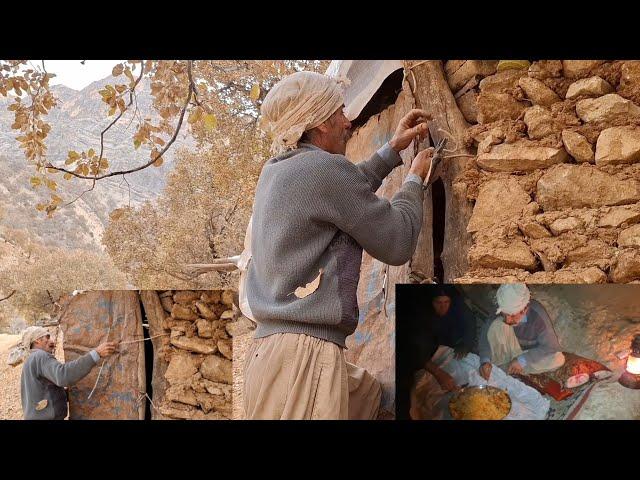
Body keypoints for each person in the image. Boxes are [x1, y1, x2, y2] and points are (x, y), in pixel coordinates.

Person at [243, 71, 435, 419]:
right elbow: (396, 242)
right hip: (304, 359)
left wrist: (392, 149)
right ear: (318, 123)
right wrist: (413, 181)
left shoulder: (277, 171)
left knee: (377, 399)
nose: (348, 123)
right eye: (339, 114)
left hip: (268, 355)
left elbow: (341, 194)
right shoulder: (324, 171)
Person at [20, 326, 116, 420]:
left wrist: (66, 394)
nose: (51, 341)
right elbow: (63, 376)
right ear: (37, 340)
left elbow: (43, 392)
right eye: (47, 337)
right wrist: (97, 353)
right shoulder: (39, 356)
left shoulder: (30, 361)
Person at [478, 284, 565, 381]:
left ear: (525, 309)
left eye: (512, 315)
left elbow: (551, 346)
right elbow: (485, 335)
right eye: (504, 314)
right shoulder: (502, 308)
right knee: (496, 324)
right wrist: (484, 360)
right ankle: (508, 367)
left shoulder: (537, 316)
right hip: (510, 349)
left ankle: (510, 367)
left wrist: (522, 360)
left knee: (558, 359)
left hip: (529, 352)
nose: (507, 320)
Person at [418, 287, 476, 393]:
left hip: (450, 344)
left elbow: (470, 323)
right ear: (431, 301)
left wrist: (466, 344)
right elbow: (414, 347)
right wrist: (437, 372)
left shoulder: (457, 304)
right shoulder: (422, 313)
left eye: (446, 302)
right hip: (428, 349)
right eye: (438, 302)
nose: (443, 307)